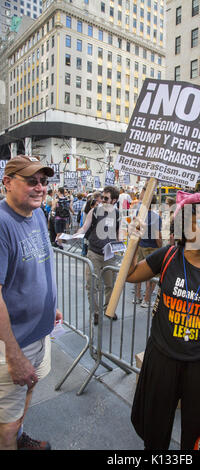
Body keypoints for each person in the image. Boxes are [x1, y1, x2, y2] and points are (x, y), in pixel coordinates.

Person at [126, 191, 200, 450]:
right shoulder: (167, 256)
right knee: (155, 432)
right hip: (162, 359)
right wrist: (133, 239)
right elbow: (131, 274)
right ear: (183, 226)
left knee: (196, 436)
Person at [0, 155, 62, 450]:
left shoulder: (37, 213)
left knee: (30, 385)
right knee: (7, 422)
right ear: (8, 183)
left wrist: (51, 306)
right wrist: (13, 355)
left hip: (38, 331)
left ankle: (18, 435)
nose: (40, 187)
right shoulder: (1, 224)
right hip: (13, 341)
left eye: (44, 181)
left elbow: (39, 265)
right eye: (31, 181)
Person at [76, 186, 120, 324]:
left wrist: (120, 247)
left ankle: (109, 309)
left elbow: (119, 235)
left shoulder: (118, 214)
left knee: (110, 285)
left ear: (114, 200)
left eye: (106, 198)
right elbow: (84, 227)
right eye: (101, 197)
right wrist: (72, 235)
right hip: (93, 254)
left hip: (109, 256)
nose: (102, 200)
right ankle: (95, 312)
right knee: (91, 285)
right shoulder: (94, 211)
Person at [134, 194, 162, 308]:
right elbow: (157, 236)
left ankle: (137, 297)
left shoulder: (139, 214)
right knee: (153, 273)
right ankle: (146, 299)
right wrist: (161, 248)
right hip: (152, 246)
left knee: (138, 271)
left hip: (140, 244)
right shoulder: (156, 217)